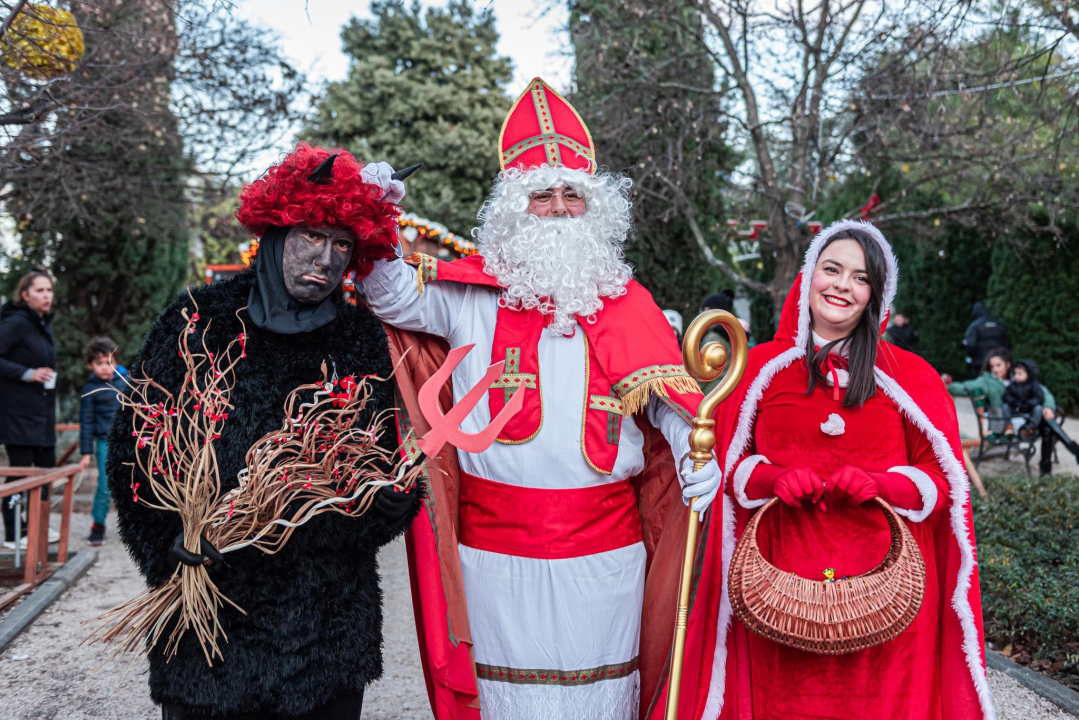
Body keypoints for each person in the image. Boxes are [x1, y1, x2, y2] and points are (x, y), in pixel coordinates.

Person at [361, 78, 721, 720]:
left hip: (606, 557)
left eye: (571, 195)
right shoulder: (469, 294)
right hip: (496, 556)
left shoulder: (630, 302)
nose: (557, 208)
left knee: (600, 700)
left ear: (595, 208)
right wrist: (374, 214)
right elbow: (387, 294)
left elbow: (667, 400)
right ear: (513, 209)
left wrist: (699, 455)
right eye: (541, 195)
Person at [109, 143, 422, 719]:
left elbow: (385, 475)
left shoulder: (359, 340)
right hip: (204, 619)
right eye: (311, 235)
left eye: (342, 244)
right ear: (277, 230)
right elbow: (133, 451)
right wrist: (166, 544)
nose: (325, 259)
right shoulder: (197, 322)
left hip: (323, 627)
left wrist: (301, 521)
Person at [673, 220, 995, 719]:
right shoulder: (760, 368)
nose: (843, 285)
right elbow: (727, 469)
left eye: (861, 277)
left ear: (875, 295)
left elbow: (943, 481)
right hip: (777, 592)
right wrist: (771, 478)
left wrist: (884, 485)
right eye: (832, 269)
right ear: (808, 278)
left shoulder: (908, 376)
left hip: (889, 596)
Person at [0, 269, 60, 549]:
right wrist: (27, 373)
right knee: (21, 474)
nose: (47, 295)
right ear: (25, 295)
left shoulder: (42, 325)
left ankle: (38, 525)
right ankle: (14, 534)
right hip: (18, 415)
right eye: (40, 290)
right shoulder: (17, 323)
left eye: (49, 290)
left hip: (42, 414)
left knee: (47, 469)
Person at [946, 351, 1078, 475]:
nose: (995, 369)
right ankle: (1064, 455)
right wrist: (947, 384)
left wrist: (1048, 407)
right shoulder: (987, 381)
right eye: (992, 366)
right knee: (1047, 426)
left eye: (998, 365)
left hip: (1028, 420)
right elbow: (966, 386)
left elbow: (1043, 392)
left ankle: (1050, 467)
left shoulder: (1018, 375)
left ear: (1007, 365)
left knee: (1046, 425)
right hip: (1007, 423)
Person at [78, 336, 128, 546]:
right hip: (104, 443)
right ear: (90, 366)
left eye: (109, 362)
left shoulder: (127, 382)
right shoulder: (90, 390)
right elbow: (86, 422)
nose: (106, 368)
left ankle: (133, 526)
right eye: (99, 363)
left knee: (132, 482)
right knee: (105, 485)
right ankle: (98, 525)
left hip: (127, 441)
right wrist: (86, 452)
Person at [963, 301, 1010, 376]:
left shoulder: (974, 326)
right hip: (999, 361)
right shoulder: (998, 324)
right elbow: (1007, 343)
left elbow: (971, 344)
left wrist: (970, 356)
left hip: (980, 362)